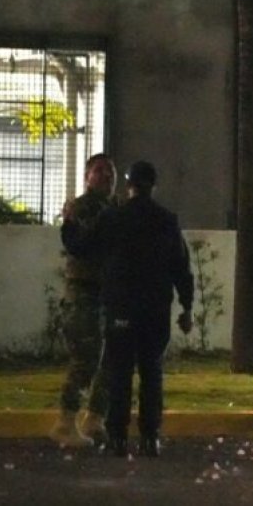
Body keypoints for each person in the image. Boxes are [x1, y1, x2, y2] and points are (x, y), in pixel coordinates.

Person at [62, 160, 194, 458]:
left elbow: (80, 246)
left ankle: (118, 437)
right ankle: (150, 437)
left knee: (120, 371)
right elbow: (181, 267)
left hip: (121, 307)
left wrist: (69, 222)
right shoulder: (167, 220)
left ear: (128, 185)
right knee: (151, 371)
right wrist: (187, 307)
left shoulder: (113, 217)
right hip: (156, 308)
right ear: (154, 186)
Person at [50, 152, 117, 448]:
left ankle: (95, 418)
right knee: (86, 358)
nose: (107, 176)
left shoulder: (113, 208)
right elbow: (81, 244)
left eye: (110, 171)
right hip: (84, 293)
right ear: (87, 177)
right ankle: (66, 422)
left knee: (112, 358)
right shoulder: (84, 208)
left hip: (108, 293)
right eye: (99, 171)